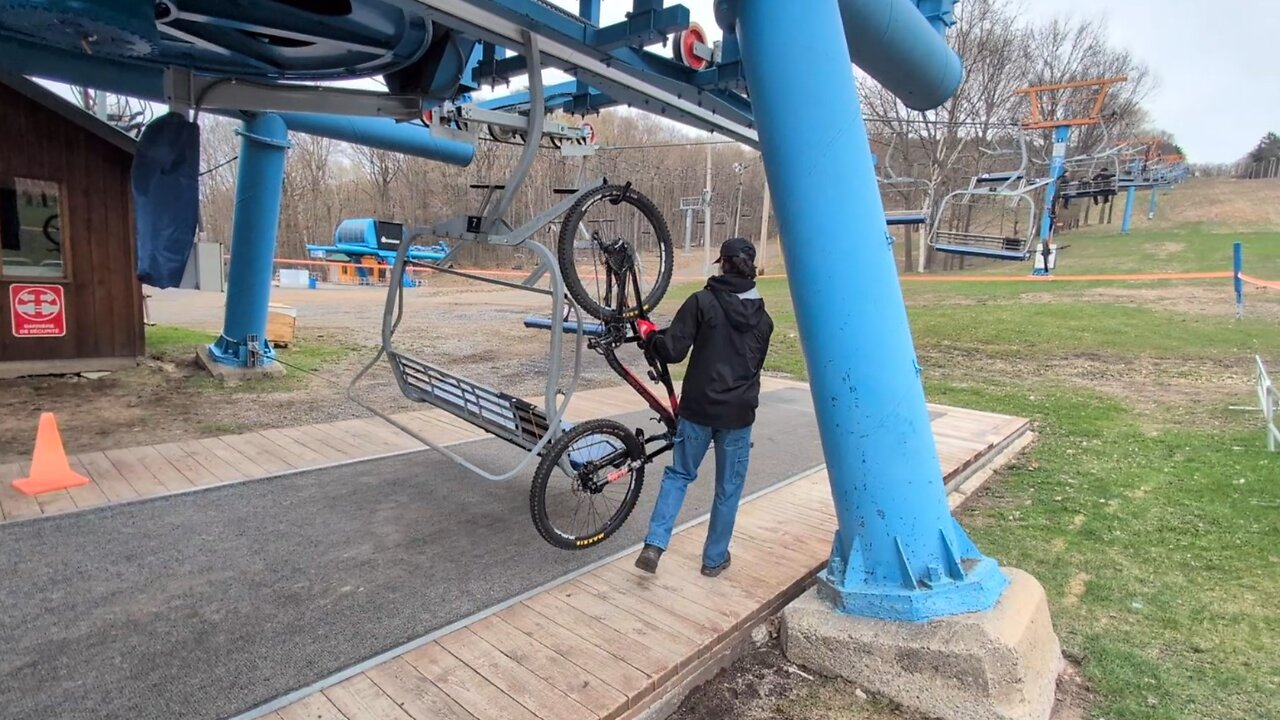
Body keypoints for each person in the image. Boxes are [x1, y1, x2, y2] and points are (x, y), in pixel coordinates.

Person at [632, 237, 774, 577]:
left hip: (698, 409)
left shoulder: (701, 302)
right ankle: (713, 560)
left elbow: (672, 351)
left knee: (679, 475)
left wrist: (650, 335)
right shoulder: (764, 319)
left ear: (721, 264)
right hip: (738, 415)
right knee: (728, 489)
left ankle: (654, 544)